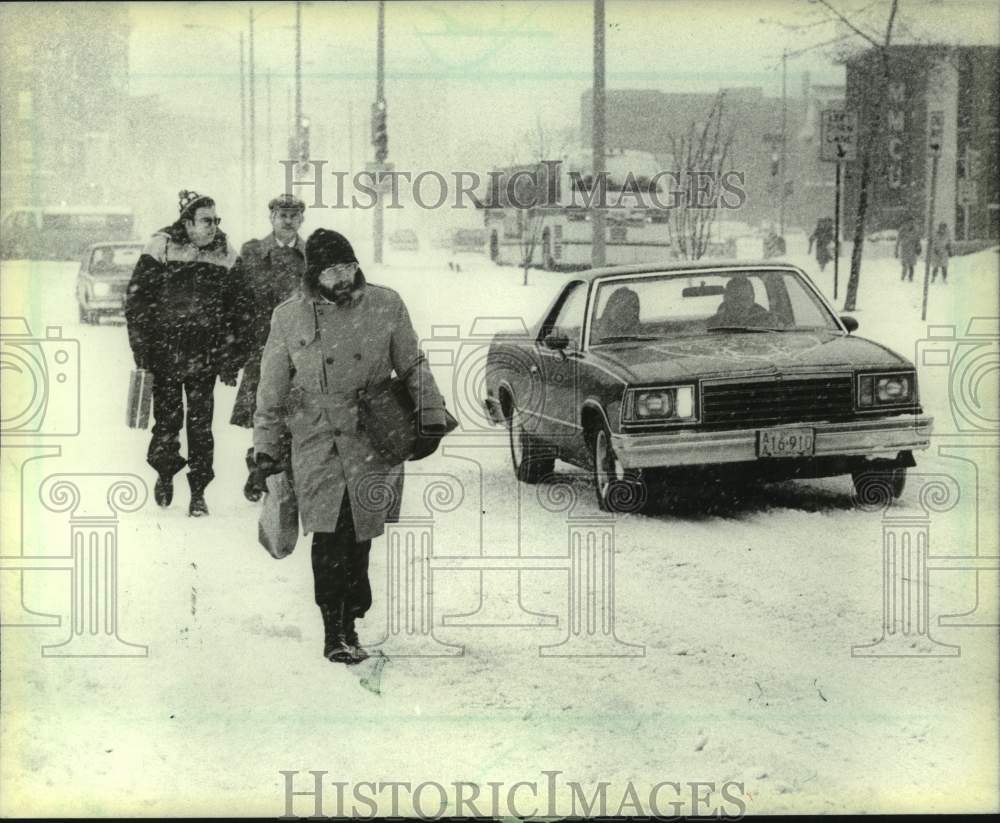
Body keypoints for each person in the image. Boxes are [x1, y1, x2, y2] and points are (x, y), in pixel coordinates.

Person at [251, 229, 450, 664]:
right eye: (330, 271)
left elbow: (412, 363)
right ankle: (334, 629)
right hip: (316, 435)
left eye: (347, 267)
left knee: (360, 532)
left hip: (371, 432)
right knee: (328, 534)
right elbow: (270, 389)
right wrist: (264, 449)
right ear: (313, 274)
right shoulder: (289, 317)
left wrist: (430, 414)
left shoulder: (386, 304)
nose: (342, 278)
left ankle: (352, 613)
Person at [125, 190, 241, 517]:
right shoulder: (160, 246)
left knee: (201, 427)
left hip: (205, 355)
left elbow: (240, 307)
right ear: (187, 222)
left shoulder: (225, 253)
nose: (213, 227)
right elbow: (137, 303)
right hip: (165, 354)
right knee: (167, 422)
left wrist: (231, 356)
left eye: (216, 220)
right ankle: (164, 472)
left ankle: (199, 491)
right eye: (206, 220)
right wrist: (142, 351)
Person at [229, 194, 307, 501]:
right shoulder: (252, 253)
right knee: (264, 409)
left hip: (301, 348)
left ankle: (281, 471)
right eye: (281, 214)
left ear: (302, 220)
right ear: (271, 217)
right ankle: (259, 465)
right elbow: (237, 301)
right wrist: (235, 345)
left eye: (294, 215)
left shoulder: (311, 255)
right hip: (261, 346)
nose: (287, 220)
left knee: (297, 411)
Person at [708, 275, 772, 328]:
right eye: (736, 299)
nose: (740, 304)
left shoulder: (767, 319)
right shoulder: (714, 324)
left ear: (753, 298)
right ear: (726, 298)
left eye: (744, 299)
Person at [895, 217, 921, 282]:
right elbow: (898, 241)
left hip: (912, 250)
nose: (911, 224)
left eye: (912, 222)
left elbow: (918, 240)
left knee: (911, 266)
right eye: (909, 222)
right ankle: (902, 278)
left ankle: (910, 279)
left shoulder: (916, 230)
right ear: (906, 222)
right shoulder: (902, 230)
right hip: (904, 250)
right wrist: (896, 251)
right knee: (904, 265)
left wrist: (919, 247)